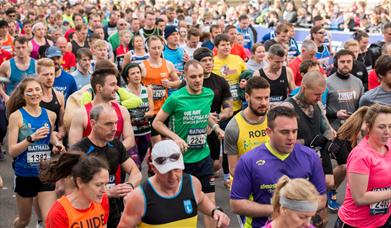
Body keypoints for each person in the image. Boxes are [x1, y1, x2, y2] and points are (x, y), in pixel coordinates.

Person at [152, 60, 225, 227]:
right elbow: (157, 123)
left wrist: (215, 128)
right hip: (180, 161)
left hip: (203, 156)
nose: (198, 80)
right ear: (185, 76)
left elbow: (204, 114)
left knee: (209, 204)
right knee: (180, 207)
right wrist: (175, 138)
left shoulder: (208, 94)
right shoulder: (175, 98)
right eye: (193, 77)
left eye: (200, 76)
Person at [230, 106, 327, 228]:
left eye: (294, 131)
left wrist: (297, 211)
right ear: (269, 132)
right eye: (285, 132)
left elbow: (322, 198)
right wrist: (279, 210)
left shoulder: (310, 156)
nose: (291, 137)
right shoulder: (249, 160)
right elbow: (236, 204)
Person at [118, 140, 230, 227]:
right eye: (166, 171)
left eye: (176, 169)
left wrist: (214, 211)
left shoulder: (192, 183)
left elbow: (201, 199)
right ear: (153, 168)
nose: (172, 176)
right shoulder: (139, 197)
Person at [71, 103, 142, 228]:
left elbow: (135, 172)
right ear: (93, 124)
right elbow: (73, 190)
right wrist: (109, 193)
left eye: (115, 123)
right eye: (108, 124)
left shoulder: (115, 144)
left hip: (112, 209)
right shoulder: (80, 150)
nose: (114, 128)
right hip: (88, 213)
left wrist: (129, 186)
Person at [7, 77, 64, 228]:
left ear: (42, 91)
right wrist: (30, 139)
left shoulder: (50, 115)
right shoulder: (16, 117)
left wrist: (57, 144)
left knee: (49, 219)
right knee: (23, 221)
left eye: (37, 89)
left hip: (45, 172)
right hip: (24, 174)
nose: (34, 93)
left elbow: (50, 135)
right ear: (23, 95)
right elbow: (12, 150)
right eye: (30, 91)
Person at [335, 104, 391, 228]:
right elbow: (360, 198)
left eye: (390, 126)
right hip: (356, 223)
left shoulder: (389, 145)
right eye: (381, 127)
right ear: (368, 127)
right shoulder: (361, 156)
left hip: (383, 220)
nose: (387, 132)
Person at [68, 66, 135, 151]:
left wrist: (112, 153)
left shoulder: (122, 110)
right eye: (112, 84)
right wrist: (98, 157)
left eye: (116, 84)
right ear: (99, 88)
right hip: (90, 163)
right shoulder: (81, 113)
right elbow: (74, 146)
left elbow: (130, 140)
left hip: (115, 161)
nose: (116, 88)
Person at [43, 151, 110, 228]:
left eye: (106, 184)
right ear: (80, 182)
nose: (104, 190)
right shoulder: (59, 213)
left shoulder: (102, 199)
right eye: (98, 185)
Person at [225, 76, 270, 178]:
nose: (263, 103)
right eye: (258, 98)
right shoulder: (233, 127)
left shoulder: (274, 119)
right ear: (247, 97)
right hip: (246, 187)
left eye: (266, 98)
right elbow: (233, 169)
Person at [140, 35, 181, 145]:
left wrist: (170, 84)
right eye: (154, 48)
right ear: (148, 48)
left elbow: (179, 83)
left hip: (165, 109)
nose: (157, 50)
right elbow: (135, 88)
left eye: (159, 47)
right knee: (157, 143)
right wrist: (145, 89)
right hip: (150, 111)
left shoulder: (168, 64)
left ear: (163, 47)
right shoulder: (142, 67)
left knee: (167, 142)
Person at [122, 63, 154, 168]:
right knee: (135, 164)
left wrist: (135, 116)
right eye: (133, 73)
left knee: (140, 160)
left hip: (145, 133)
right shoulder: (123, 92)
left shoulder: (147, 90)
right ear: (127, 78)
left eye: (138, 72)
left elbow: (151, 112)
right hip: (131, 134)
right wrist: (142, 116)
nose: (136, 75)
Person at [326, 49, 364, 130]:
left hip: (353, 129)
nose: (346, 64)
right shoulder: (327, 83)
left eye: (349, 61)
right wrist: (336, 114)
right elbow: (320, 110)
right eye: (342, 62)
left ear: (353, 63)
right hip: (334, 130)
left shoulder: (358, 82)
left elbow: (361, 107)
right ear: (336, 63)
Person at [212, 34, 246, 113]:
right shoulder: (212, 62)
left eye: (228, 44)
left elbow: (246, 75)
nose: (226, 47)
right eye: (223, 45)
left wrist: (245, 82)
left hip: (238, 105)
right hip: (220, 108)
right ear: (216, 47)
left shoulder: (237, 59)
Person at [37, 58, 65, 141]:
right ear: (38, 75)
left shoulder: (59, 96)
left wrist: (60, 137)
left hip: (54, 142)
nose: (49, 77)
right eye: (45, 75)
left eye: (51, 74)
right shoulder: (33, 97)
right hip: (35, 141)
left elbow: (62, 124)